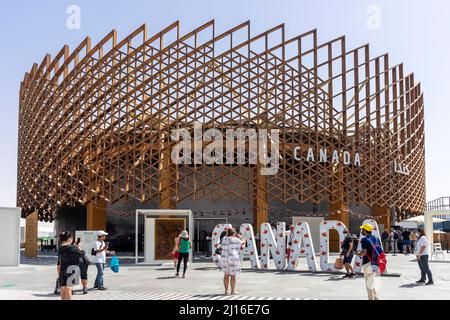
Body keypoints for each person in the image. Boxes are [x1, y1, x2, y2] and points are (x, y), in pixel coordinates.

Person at [357, 224, 384, 300]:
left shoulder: (364, 240)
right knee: (371, 281)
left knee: (368, 283)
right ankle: (376, 297)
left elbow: (364, 252)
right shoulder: (377, 238)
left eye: (362, 229)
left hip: (368, 263)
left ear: (365, 230)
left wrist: (358, 254)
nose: (362, 231)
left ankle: (370, 298)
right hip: (376, 262)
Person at [57, 231, 84, 300]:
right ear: (69, 238)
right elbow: (81, 254)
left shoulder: (60, 248)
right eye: (71, 238)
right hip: (72, 268)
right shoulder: (72, 247)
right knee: (69, 288)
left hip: (63, 269)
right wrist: (79, 247)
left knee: (63, 287)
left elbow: (59, 260)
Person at [221, 227, 245, 295]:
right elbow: (243, 244)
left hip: (224, 258)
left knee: (226, 275)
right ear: (234, 233)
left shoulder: (224, 239)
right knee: (233, 276)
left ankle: (226, 291)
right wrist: (241, 237)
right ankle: (233, 291)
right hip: (233, 259)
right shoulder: (236, 239)